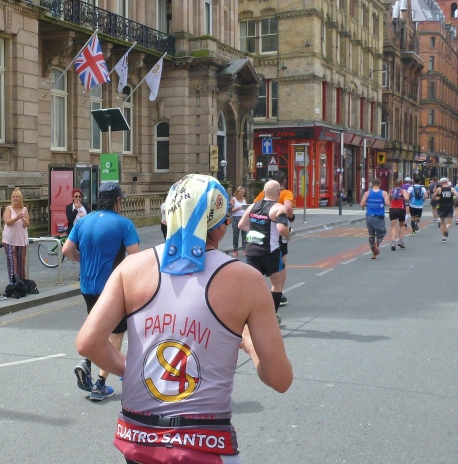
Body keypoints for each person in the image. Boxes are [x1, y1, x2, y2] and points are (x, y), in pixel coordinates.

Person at [76, 174, 292, 463]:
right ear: (221, 225)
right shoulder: (247, 280)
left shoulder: (131, 268)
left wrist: (132, 369)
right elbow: (280, 379)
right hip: (203, 442)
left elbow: (88, 343)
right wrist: (250, 345)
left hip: (138, 437)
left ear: (169, 217)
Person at [62, 182, 140, 401]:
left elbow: (66, 249)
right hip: (112, 288)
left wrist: (82, 260)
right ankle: (99, 384)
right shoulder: (124, 224)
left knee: (98, 328)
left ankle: (87, 361)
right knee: (116, 333)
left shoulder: (83, 221)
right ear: (117, 201)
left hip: (87, 286)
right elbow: (135, 258)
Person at [239, 180, 291, 324]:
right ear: (278, 192)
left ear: (263, 192)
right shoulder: (279, 208)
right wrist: (287, 236)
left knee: (252, 285)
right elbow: (281, 228)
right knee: (276, 284)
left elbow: (241, 224)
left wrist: (257, 232)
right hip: (270, 251)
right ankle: (271, 317)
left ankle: (248, 316)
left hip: (251, 250)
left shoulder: (253, 206)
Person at [254, 172, 294, 307]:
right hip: (277, 233)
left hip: (260, 232)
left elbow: (255, 206)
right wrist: (291, 217)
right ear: (283, 183)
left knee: (256, 269)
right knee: (281, 264)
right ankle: (278, 294)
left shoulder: (264, 193)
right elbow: (288, 207)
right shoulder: (285, 193)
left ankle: (257, 297)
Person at [2, 188, 30, 282]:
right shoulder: (8, 208)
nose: (15, 198)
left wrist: (23, 219)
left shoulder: (24, 209)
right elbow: (7, 222)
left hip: (21, 239)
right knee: (12, 263)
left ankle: (21, 283)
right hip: (10, 240)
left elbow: (26, 225)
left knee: (21, 263)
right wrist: (17, 217)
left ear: (20, 198)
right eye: (13, 197)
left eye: (17, 197)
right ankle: (13, 283)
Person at [360, 178, 390, 259]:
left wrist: (368, 204)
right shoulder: (384, 193)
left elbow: (361, 204)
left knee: (371, 235)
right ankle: (377, 244)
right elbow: (387, 203)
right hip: (379, 216)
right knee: (381, 233)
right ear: (380, 184)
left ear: (372, 184)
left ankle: (374, 253)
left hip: (369, 216)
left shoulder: (367, 193)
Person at [431, 178, 458, 243]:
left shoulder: (439, 189)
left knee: (442, 222)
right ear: (447, 182)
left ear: (441, 183)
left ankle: (443, 237)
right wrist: (455, 201)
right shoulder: (451, 189)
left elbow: (433, 197)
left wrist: (438, 198)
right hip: (449, 206)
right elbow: (457, 196)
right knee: (449, 223)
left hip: (441, 206)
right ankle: (446, 228)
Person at [388, 178, 409, 250]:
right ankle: (400, 241)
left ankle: (393, 242)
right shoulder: (403, 191)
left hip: (392, 209)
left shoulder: (391, 191)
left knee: (393, 227)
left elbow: (388, 200)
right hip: (401, 209)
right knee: (402, 225)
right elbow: (406, 198)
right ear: (401, 184)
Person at [230, 186, 248, 257]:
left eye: (243, 193)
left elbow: (246, 208)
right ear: (237, 192)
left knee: (244, 234)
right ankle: (235, 250)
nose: (242, 195)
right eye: (241, 193)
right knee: (236, 234)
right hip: (235, 218)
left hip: (243, 217)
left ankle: (244, 249)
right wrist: (237, 208)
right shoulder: (233, 199)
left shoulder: (244, 199)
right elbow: (230, 210)